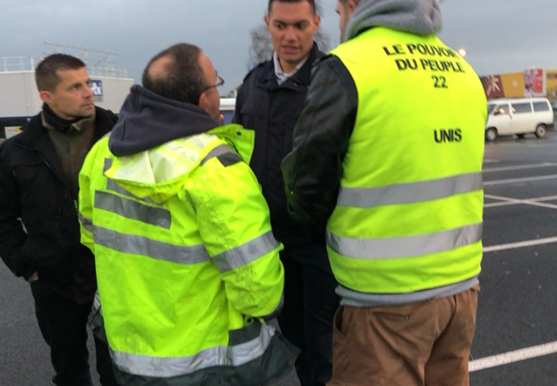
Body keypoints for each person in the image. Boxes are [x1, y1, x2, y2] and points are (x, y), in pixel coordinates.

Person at [281, 0, 488, 385]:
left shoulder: (350, 67)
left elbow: (305, 185)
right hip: (461, 292)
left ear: (352, 5)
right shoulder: (463, 71)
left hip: (383, 301)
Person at [78, 43, 295, 385]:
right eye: (216, 84)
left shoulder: (103, 152)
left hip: (130, 349)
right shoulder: (216, 167)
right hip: (204, 361)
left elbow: (92, 234)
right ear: (202, 100)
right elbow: (258, 289)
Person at [233, 1, 338, 385]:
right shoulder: (253, 85)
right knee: (292, 341)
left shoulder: (334, 81)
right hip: (271, 244)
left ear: (316, 24)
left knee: (325, 347)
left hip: (319, 242)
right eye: (280, 26)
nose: (290, 36)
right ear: (267, 24)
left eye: (299, 25)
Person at [0, 54, 118, 386]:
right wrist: (26, 264)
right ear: (47, 97)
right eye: (75, 86)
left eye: (87, 82)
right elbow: (3, 216)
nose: (88, 92)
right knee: (70, 370)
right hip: (54, 282)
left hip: (113, 275)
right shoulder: (17, 150)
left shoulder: (121, 136)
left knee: (118, 371)